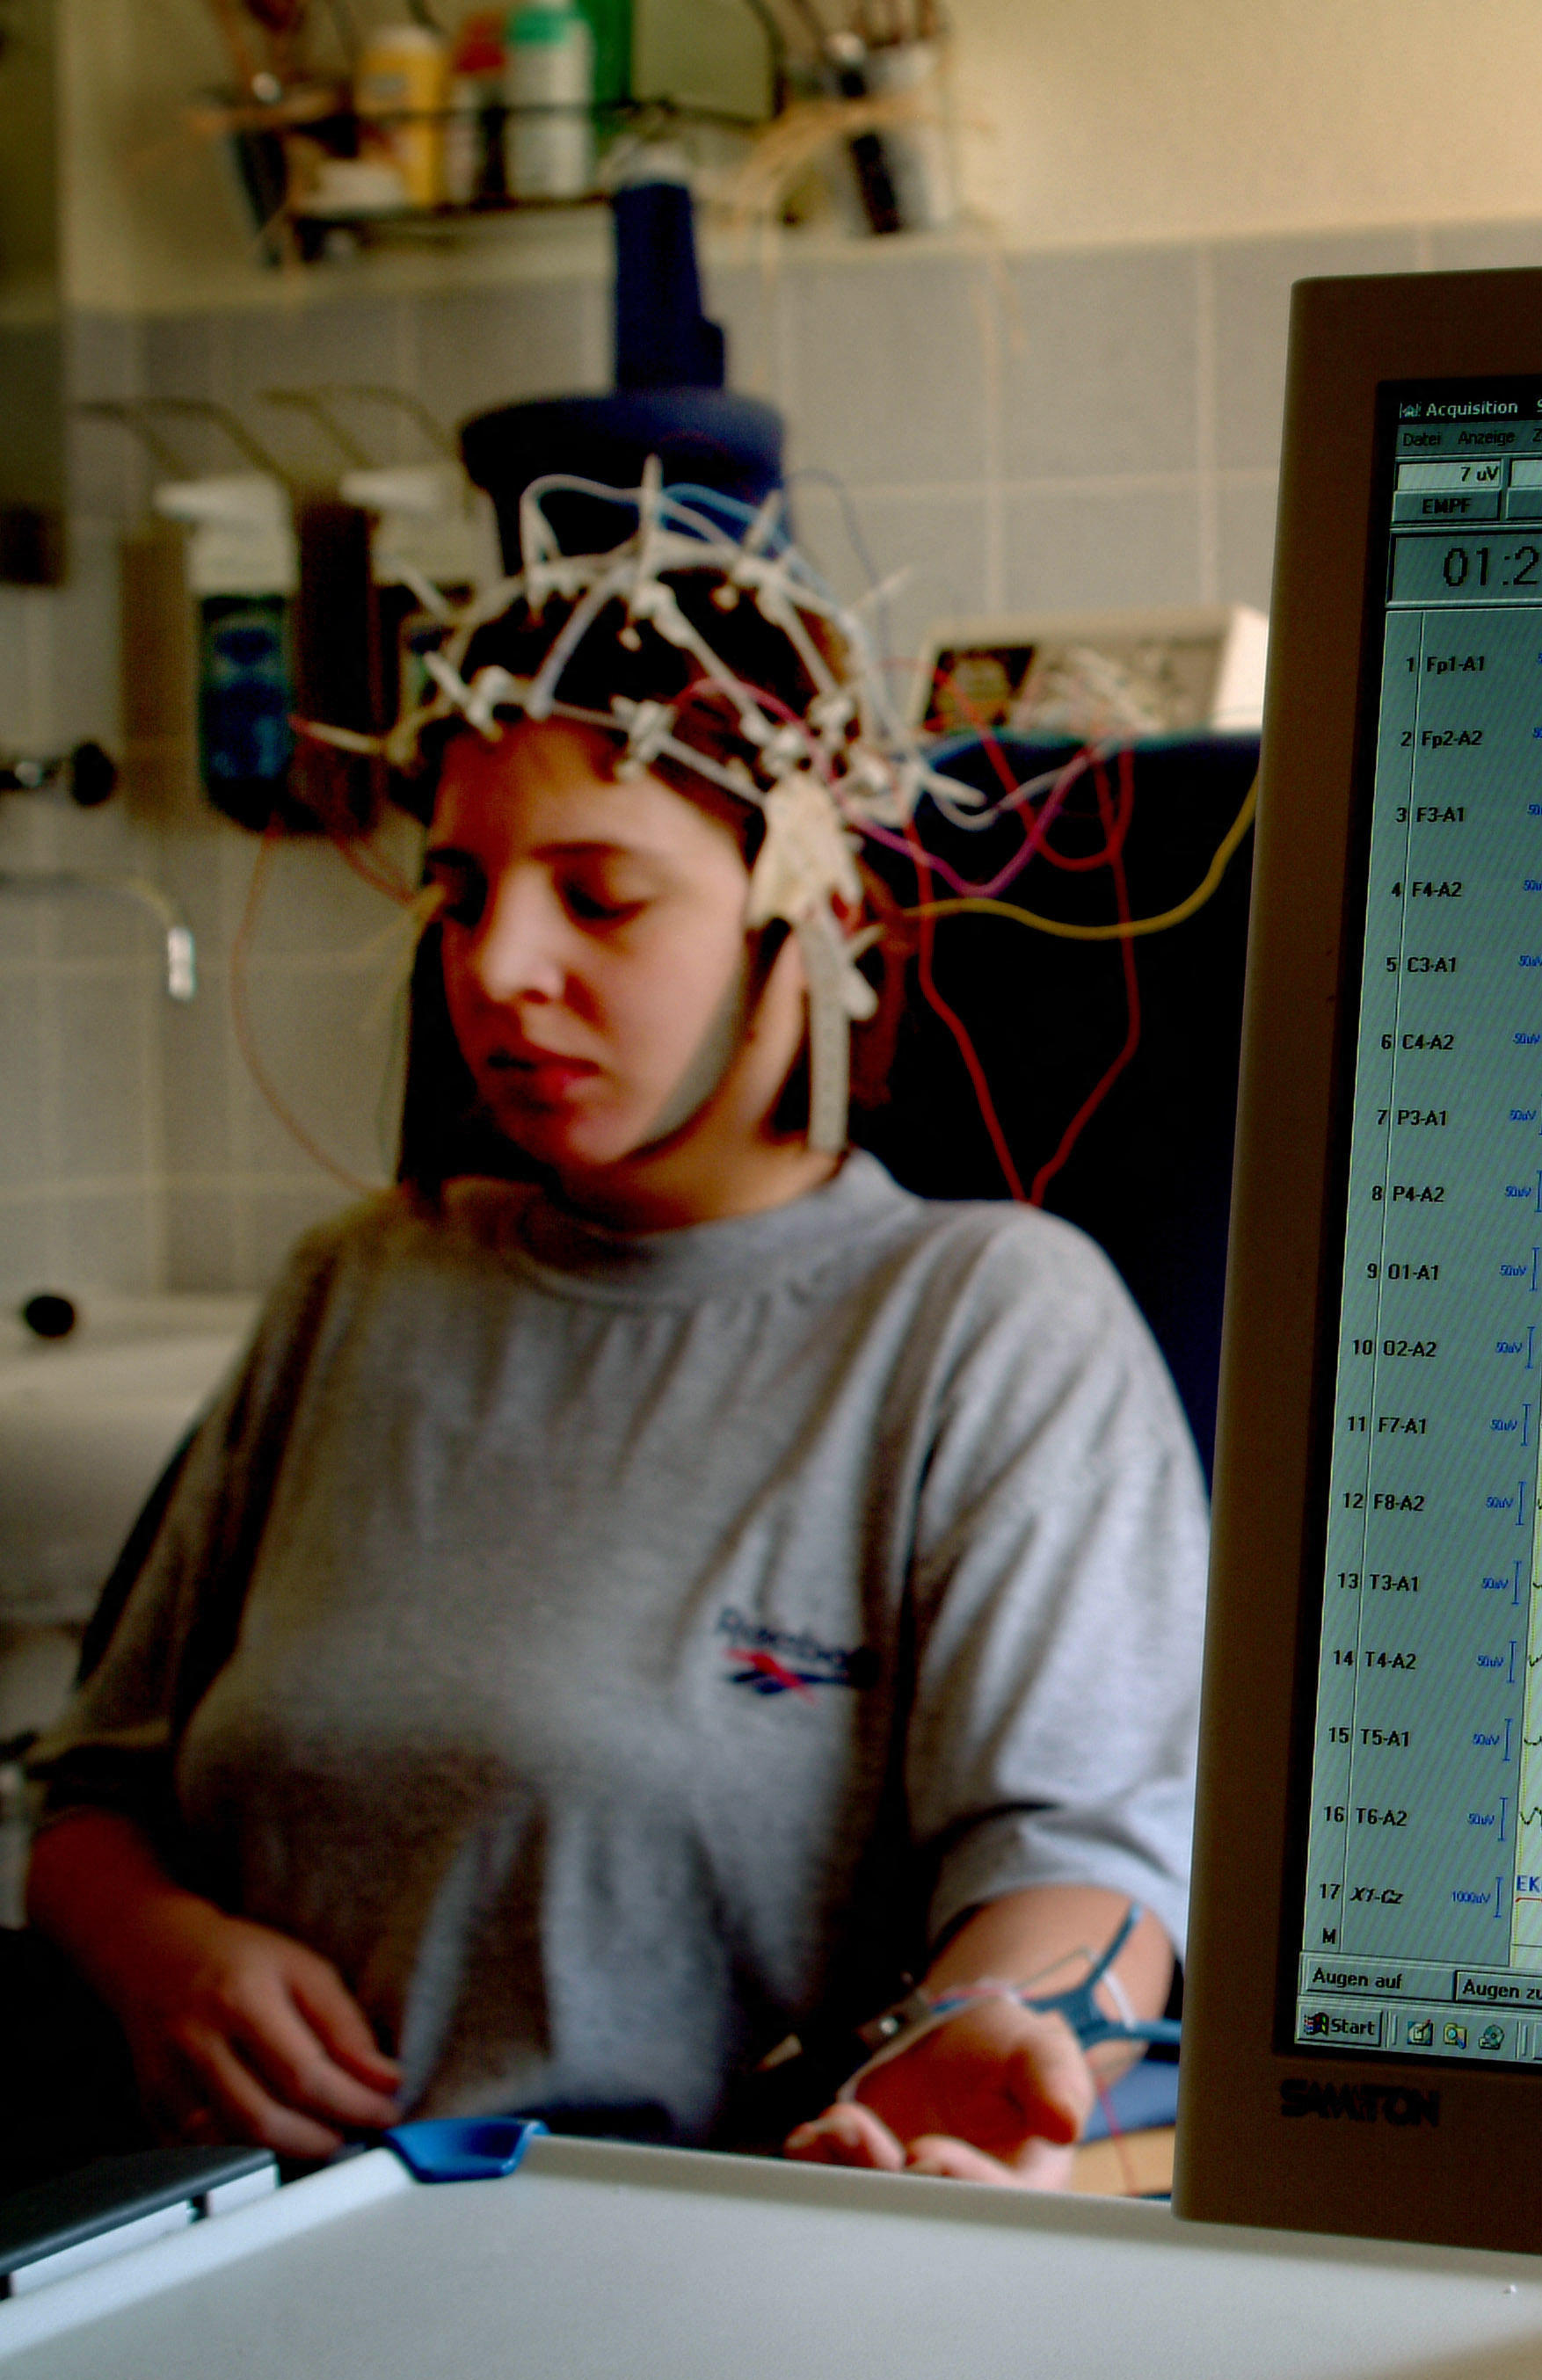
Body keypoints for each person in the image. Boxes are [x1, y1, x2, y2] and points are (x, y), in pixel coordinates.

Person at [21, 475, 1206, 2189]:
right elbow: (89, 1797)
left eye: (602, 896)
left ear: (815, 916)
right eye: (462, 886)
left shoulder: (980, 1322)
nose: (497, 966)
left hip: (688, 2263)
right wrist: (159, 1955)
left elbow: (1083, 1863)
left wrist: (976, 2060)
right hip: (208, 2247)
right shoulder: (361, 1285)